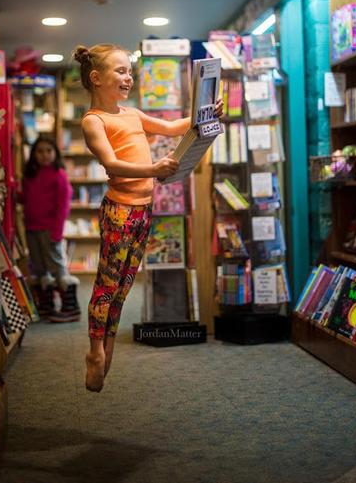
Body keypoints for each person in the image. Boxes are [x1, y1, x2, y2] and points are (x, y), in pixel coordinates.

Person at [73, 43, 223, 392]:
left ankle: (107, 344)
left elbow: (172, 128)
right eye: (120, 71)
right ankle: (96, 349)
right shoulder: (94, 121)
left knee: (124, 286)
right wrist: (153, 168)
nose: (129, 77)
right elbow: (111, 164)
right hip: (120, 211)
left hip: (143, 211)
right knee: (108, 284)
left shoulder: (133, 114)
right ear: (96, 78)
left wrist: (206, 115)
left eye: (130, 71)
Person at [19, 136, 80, 323]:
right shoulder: (31, 175)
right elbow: (27, 199)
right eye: (40, 151)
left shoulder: (59, 174)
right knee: (39, 268)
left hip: (49, 229)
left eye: (48, 151)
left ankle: (71, 308)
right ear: (33, 154)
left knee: (56, 266)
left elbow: (63, 206)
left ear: (55, 153)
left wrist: (57, 232)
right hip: (31, 227)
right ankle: (46, 306)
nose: (44, 155)